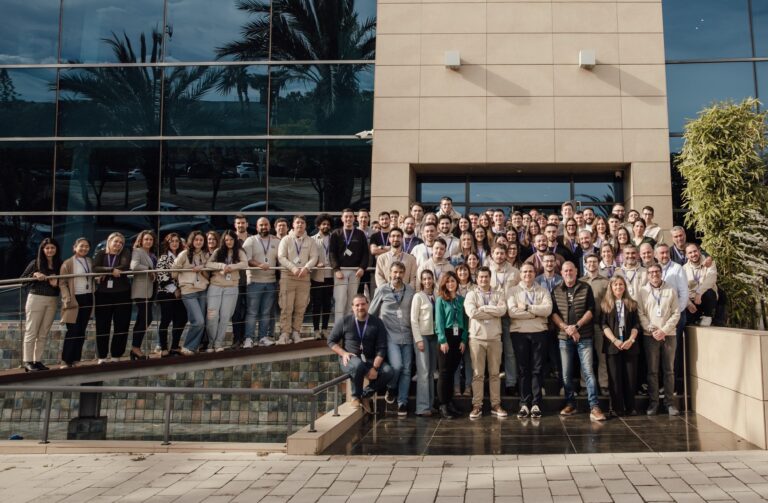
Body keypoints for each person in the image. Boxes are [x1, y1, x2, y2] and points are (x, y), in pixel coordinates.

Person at [550, 262, 606, 421]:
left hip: (585, 336)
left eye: (571, 270)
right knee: (567, 374)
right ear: (561, 272)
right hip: (564, 337)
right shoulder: (556, 290)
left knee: (588, 372)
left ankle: (594, 406)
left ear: (576, 272)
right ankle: (570, 404)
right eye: (566, 270)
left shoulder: (585, 287)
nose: (568, 273)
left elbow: (591, 310)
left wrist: (576, 327)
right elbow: (553, 313)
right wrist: (565, 328)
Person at [327, 294, 395, 413]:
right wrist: (343, 353)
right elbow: (331, 341)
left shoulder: (377, 322)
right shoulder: (344, 321)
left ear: (367, 305)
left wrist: (375, 367)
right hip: (350, 359)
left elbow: (382, 347)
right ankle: (355, 397)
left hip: (370, 360)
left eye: (363, 304)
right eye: (357, 305)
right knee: (358, 365)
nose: (360, 307)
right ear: (352, 307)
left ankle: (365, 395)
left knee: (389, 372)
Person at [507, 263, 553, 419]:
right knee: (523, 369)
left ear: (535, 273)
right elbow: (512, 312)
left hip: (539, 333)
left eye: (531, 271)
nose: (528, 274)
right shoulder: (513, 291)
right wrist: (535, 313)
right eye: (525, 271)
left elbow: (547, 310)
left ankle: (536, 404)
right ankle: (524, 404)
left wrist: (526, 307)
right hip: (519, 333)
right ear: (520, 274)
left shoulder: (542, 290)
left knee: (537, 369)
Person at [370, 261, 416, 417]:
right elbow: (372, 314)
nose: (397, 275)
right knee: (397, 366)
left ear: (404, 274)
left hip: (408, 335)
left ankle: (402, 403)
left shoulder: (410, 290)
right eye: (395, 272)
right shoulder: (382, 290)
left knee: (407, 370)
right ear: (389, 273)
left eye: (400, 272)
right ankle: (391, 387)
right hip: (390, 336)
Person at [464, 266, 508, 419]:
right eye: (481, 277)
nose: (483, 279)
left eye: (486, 277)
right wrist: (491, 310)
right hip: (477, 339)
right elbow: (472, 313)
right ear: (477, 279)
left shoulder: (498, 293)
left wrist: (483, 308)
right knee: (478, 374)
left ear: (490, 278)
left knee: (495, 373)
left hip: (495, 338)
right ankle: (477, 405)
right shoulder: (471, 294)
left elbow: (502, 311)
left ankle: (496, 404)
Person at [638, 263, 681, 416]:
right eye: (651, 272)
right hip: (650, 336)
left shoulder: (670, 290)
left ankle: (669, 403)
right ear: (647, 275)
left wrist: (664, 330)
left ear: (661, 273)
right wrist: (650, 328)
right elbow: (641, 313)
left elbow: (676, 313)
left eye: (657, 272)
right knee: (652, 371)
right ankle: (654, 403)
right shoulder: (643, 291)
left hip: (669, 335)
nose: (654, 274)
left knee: (669, 371)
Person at [601, 275, 641, 416]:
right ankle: (616, 408)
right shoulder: (605, 304)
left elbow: (636, 324)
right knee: (615, 378)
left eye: (621, 284)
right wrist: (614, 340)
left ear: (625, 287)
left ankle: (631, 407)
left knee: (630, 378)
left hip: (630, 345)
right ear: (611, 287)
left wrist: (631, 340)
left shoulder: (632, 304)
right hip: (613, 346)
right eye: (615, 285)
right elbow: (604, 325)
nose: (618, 287)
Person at [277, 215, 319, 344]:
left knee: (301, 306)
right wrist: (293, 268)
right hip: (288, 277)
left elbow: (314, 257)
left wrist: (306, 268)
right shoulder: (286, 240)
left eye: (302, 223)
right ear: (293, 225)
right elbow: (281, 257)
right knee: (286, 306)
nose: (300, 225)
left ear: (305, 225)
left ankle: (296, 332)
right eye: (297, 223)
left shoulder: (311, 241)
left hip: (304, 277)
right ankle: (285, 333)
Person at [21, 238, 61, 371]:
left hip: (52, 300)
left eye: (52, 248)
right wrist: (34, 274)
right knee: (31, 330)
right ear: (42, 249)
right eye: (47, 248)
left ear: (56, 249)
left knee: (43, 332)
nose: (50, 250)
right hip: (36, 298)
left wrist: (57, 284)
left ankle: (37, 360)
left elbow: (65, 284)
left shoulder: (59, 264)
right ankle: (28, 361)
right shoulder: (36, 263)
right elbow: (23, 281)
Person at [205, 229, 248, 351]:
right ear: (223, 241)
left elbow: (245, 264)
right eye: (227, 240)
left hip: (231, 287)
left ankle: (218, 343)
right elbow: (208, 264)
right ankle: (211, 342)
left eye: (231, 239)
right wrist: (222, 266)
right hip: (216, 286)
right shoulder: (219, 251)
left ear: (235, 240)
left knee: (225, 316)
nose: (229, 242)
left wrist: (232, 267)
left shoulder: (239, 252)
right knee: (212, 316)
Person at [92, 232, 131, 363]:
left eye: (121, 242)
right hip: (103, 294)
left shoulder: (125, 252)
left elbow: (125, 266)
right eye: (116, 242)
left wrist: (105, 270)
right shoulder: (101, 253)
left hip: (122, 293)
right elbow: (94, 268)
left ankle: (116, 355)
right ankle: (102, 356)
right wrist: (110, 270)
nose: (118, 245)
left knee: (121, 325)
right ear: (109, 242)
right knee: (102, 325)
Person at [656, 243, 689, 395]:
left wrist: (676, 314)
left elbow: (684, 293)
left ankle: (673, 387)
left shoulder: (677, 269)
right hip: (658, 318)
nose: (664, 255)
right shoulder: (655, 270)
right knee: (659, 353)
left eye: (665, 252)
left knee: (672, 354)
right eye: (661, 253)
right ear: (656, 255)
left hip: (675, 318)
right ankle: (663, 385)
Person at [434, 271, 468, 419]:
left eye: (453, 281)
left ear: (457, 283)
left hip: (458, 337)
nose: (450, 284)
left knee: (452, 371)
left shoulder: (462, 299)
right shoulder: (441, 300)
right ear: (444, 284)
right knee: (444, 373)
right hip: (446, 337)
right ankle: (443, 404)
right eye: (447, 282)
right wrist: (442, 340)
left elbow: (466, 321)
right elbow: (439, 321)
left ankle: (449, 402)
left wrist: (464, 339)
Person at [242, 218, 279, 348]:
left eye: (266, 225)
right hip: (254, 282)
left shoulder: (276, 241)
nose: (264, 227)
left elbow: (282, 257)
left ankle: (263, 337)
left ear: (270, 226)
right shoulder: (250, 240)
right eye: (261, 225)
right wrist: (259, 265)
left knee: (266, 312)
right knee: (252, 312)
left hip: (271, 282)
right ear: (257, 227)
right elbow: (247, 259)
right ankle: (249, 339)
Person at [173, 230, 210, 354]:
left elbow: (208, 275)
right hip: (188, 291)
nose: (198, 242)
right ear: (192, 241)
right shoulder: (184, 254)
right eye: (196, 239)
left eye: (201, 240)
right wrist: (186, 273)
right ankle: (188, 347)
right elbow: (173, 272)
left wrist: (202, 268)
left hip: (202, 291)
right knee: (198, 321)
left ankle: (191, 348)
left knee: (201, 321)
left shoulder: (206, 255)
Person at [59, 237, 95, 368]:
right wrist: (66, 297)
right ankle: (66, 360)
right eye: (81, 246)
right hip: (74, 299)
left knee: (81, 330)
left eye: (87, 246)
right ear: (75, 247)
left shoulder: (90, 261)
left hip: (88, 297)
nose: (84, 248)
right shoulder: (68, 263)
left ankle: (76, 359)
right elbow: (62, 283)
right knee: (72, 330)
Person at [330, 208, 369, 324]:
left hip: (355, 272)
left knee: (352, 301)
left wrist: (362, 267)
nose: (348, 219)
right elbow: (331, 253)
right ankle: (338, 327)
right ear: (342, 218)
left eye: (350, 216)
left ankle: (350, 326)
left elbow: (365, 253)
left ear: (354, 218)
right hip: (340, 272)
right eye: (346, 216)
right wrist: (336, 269)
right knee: (340, 300)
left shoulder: (360, 234)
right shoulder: (336, 234)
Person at [581, 254, 610, 395]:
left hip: (599, 324)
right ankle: (584, 385)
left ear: (598, 263)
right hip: (583, 325)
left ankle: (604, 384)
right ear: (585, 264)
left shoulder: (606, 282)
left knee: (601, 355)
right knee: (585, 357)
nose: (592, 264)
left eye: (594, 261)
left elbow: (609, 304)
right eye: (589, 262)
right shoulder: (580, 281)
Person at [411, 269, 438, 416]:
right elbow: (414, 320)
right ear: (421, 281)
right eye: (424, 279)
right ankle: (422, 407)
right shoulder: (418, 297)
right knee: (423, 372)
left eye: (429, 278)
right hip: (423, 337)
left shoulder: (436, 295)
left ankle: (430, 404)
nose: (427, 281)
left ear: (433, 280)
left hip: (434, 336)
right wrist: (418, 339)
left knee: (431, 372)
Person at [156, 233, 187, 357]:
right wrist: (174, 290)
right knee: (166, 320)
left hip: (180, 293)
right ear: (168, 243)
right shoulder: (163, 258)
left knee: (181, 319)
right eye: (172, 241)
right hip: (166, 293)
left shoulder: (181, 256)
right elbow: (161, 276)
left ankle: (174, 346)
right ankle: (163, 348)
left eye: (177, 241)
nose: (175, 243)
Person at [130, 230, 157, 360]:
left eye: (151, 239)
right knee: (147, 317)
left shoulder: (151, 254)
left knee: (142, 318)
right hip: (141, 290)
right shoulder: (138, 251)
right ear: (141, 240)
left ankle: (135, 348)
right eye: (146, 239)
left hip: (150, 289)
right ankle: (135, 347)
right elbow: (134, 266)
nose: (148, 241)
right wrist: (150, 270)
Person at [310, 214, 334, 340]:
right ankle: (315, 329)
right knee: (316, 303)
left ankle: (324, 328)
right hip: (317, 276)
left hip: (330, 275)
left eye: (328, 224)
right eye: (323, 224)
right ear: (318, 225)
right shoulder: (312, 239)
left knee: (327, 303)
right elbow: (308, 257)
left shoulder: (334, 239)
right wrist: (315, 263)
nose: (326, 226)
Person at [683, 243, 718, 326]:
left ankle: (707, 316)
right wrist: (689, 303)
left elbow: (711, 279)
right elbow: (683, 289)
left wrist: (699, 292)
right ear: (686, 255)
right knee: (687, 320)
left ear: (699, 251)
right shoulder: (683, 268)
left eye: (695, 251)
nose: (693, 254)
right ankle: (697, 318)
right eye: (690, 253)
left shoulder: (709, 263)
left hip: (705, 297)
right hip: (693, 300)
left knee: (709, 292)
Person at [454, 263, 474, 396]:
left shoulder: (475, 288)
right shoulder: (452, 287)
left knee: (468, 359)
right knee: (456, 360)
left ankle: (468, 387)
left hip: (472, 326)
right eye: (460, 271)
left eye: (465, 270)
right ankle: (456, 387)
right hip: (456, 327)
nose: (462, 273)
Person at [231, 214, 250, 349]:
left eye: (243, 223)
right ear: (235, 225)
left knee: (249, 310)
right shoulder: (230, 240)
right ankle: (237, 338)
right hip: (235, 281)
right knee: (236, 311)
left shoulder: (253, 239)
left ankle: (246, 337)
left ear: (247, 224)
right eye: (238, 223)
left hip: (250, 281)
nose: (240, 225)